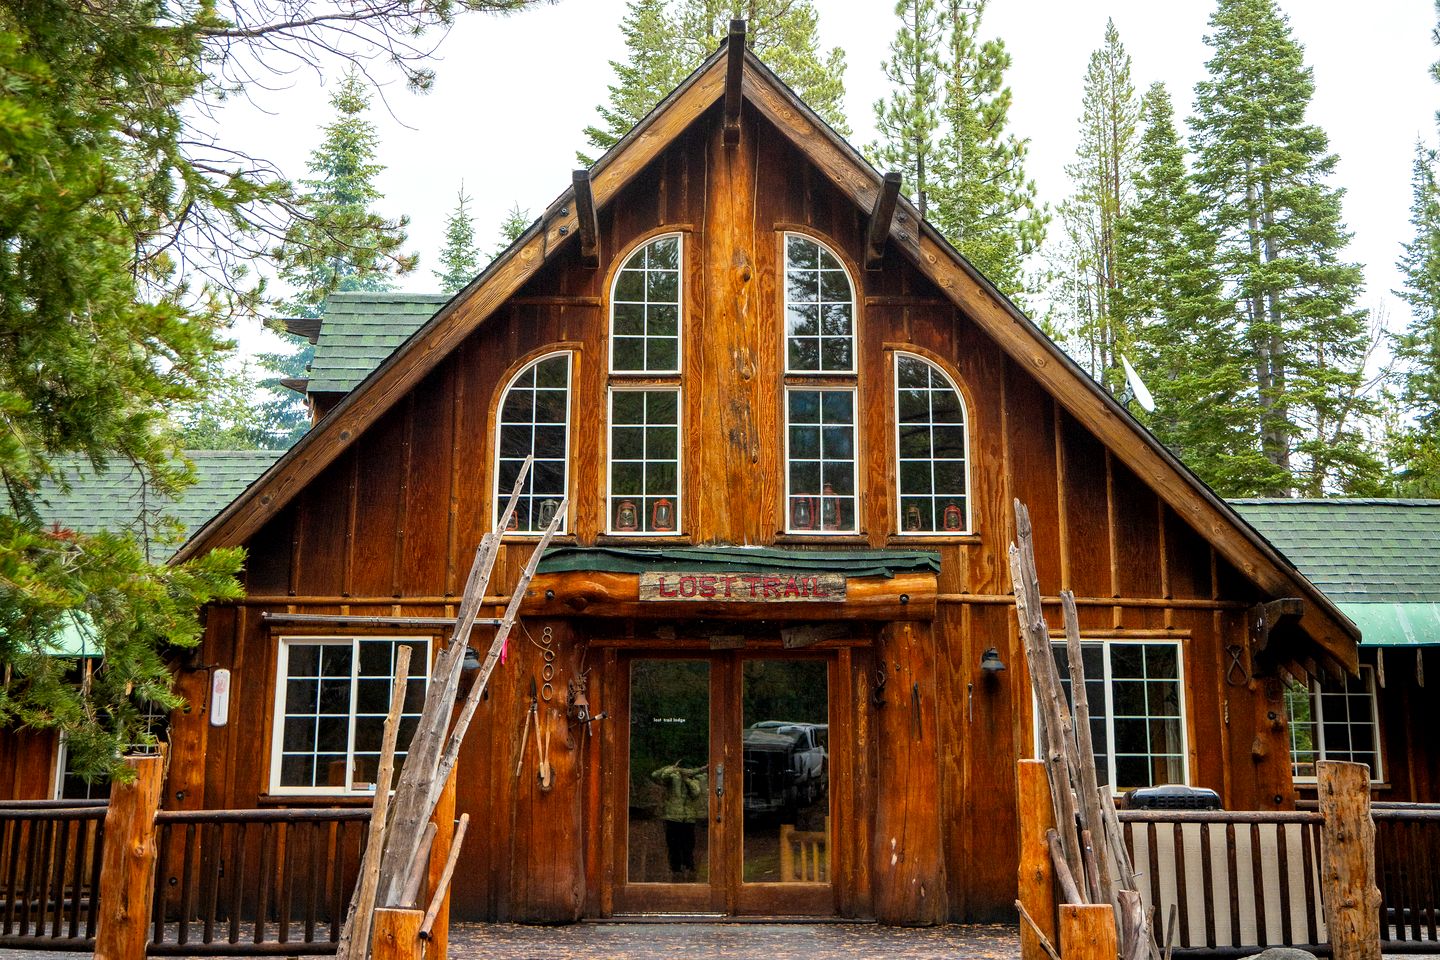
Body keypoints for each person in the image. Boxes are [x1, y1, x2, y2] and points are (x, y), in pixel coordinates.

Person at [650, 761, 707, 879]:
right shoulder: (672, 778)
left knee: (688, 844)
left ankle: (689, 866)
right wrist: (672, 768)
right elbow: (656, 776)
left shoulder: (694, 780)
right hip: (672, 817)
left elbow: (696, 792)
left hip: (688, 819)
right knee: (673, 844)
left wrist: (686, 780)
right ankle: (675, 869)